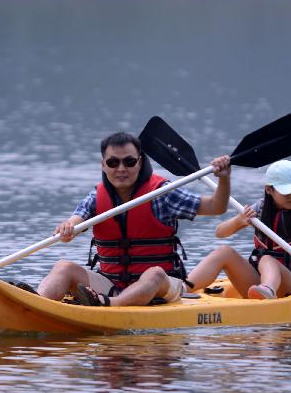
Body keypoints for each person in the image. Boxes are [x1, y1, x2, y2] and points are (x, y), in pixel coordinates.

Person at [33, 131, 231, 307]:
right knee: (63, 267)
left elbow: (216, 207)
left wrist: (223, 178)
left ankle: (114, 305)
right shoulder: (97, 196)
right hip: (111, 284)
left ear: (140, 162)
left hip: (162, 287)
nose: (121, 169)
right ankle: (34, 305)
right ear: (103, 165)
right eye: (113, 162)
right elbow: (77, 218)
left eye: (129, 162)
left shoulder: (162, 193)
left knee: (154, 273)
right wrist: (68, 227)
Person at [183, 159, 291, 300]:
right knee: (224, 252)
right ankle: (182, 288)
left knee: (267, 259)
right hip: (259, 281)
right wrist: (239, 220)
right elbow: (220, 232)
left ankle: (267, 289)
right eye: (286, 192)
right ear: (269, 189)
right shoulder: (260, 208)